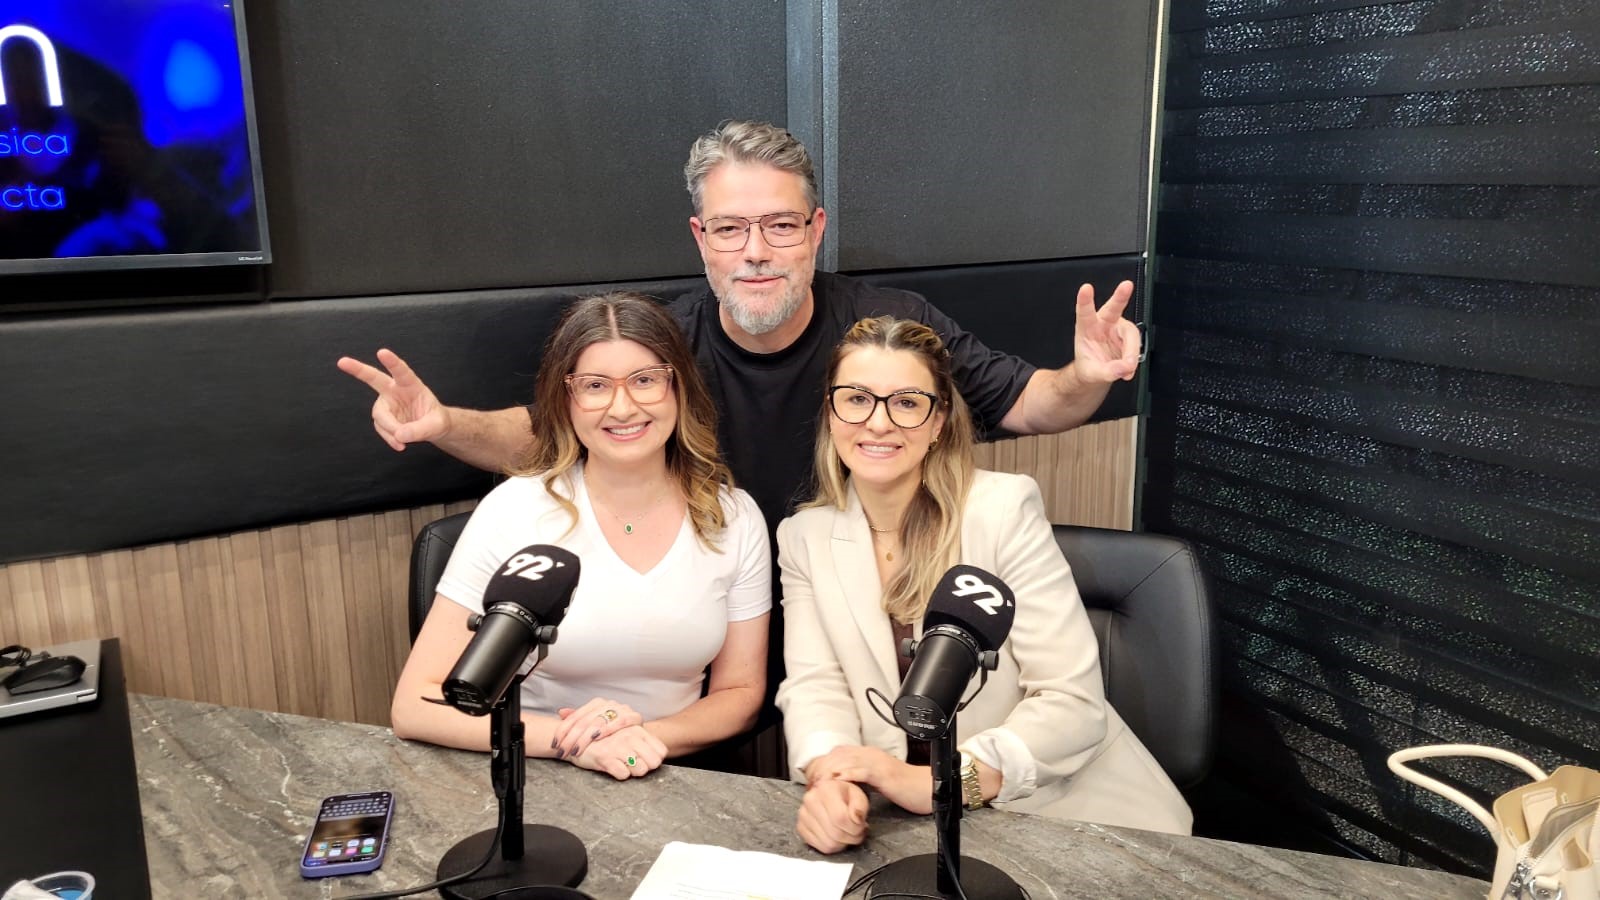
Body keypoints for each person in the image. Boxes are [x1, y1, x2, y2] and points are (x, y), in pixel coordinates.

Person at [336, 119, 1142, 539]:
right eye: (730, 229)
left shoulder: (891, 325)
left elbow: (1033, 405)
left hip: (868, 591)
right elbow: (549, 434)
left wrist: (1086, 376)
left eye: (780, 225)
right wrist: (443, 425)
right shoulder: (660, 338)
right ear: (701, 239)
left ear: (816, 230)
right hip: (714, 602)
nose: (755, 251)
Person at [776, 316, 1191, 852]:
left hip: (1063, 815)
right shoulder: (804, 536)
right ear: (831, 414)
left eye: (906, 403)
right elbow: (815, 686)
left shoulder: (1002, 511)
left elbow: (1072, 702)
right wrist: (831, 777)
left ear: (938, 421)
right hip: (896, 825)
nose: (878, 422)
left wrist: (945, 782)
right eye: (856, 399)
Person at [389, 292, 770, 780]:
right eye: (595, 386)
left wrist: (641, 740)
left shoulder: (734, 517)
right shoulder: (514, 509)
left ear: (679, 388)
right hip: (538, 767)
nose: (622, 407)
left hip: (674, 767)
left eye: (645, 380)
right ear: (565, 399)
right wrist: (571, 743)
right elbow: (415, 705)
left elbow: (739, 694)